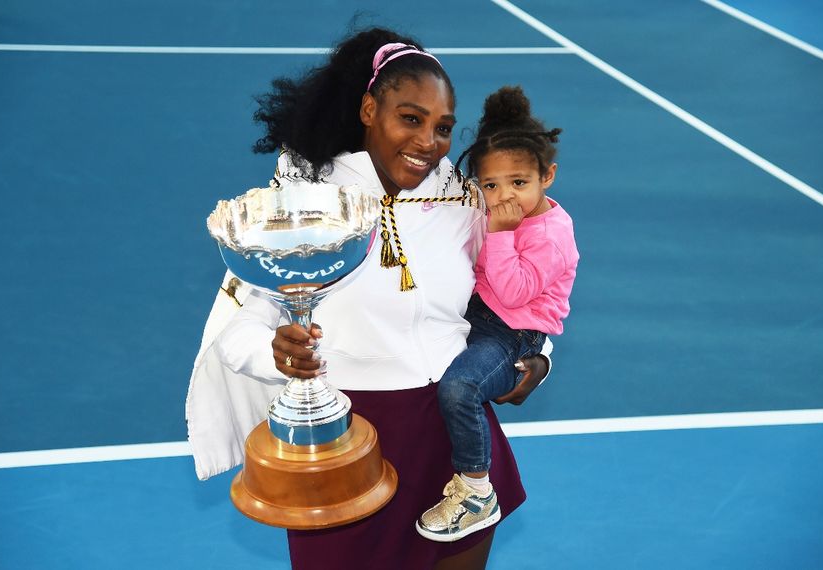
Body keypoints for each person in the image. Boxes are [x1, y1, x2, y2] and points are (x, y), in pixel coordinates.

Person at [185, 28, 552, 570]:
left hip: (457, 447)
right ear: (367, 108)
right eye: (411, 118)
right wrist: (277, 354)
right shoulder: (303, 203)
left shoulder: (467, 199)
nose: (428, 141)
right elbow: (237, 328)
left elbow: (533, 282)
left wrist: (539, 359)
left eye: (443, 127)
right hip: (347, 448)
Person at [415, 86, 579, 542]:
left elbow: (514, 290)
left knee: (460, 387)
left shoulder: (550, 234)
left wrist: (502, 233)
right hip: (479, 313)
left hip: (512, 334)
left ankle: (475, 490)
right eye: (491, 185)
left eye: (519, 183)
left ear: (548, 175)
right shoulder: (495, 210)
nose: (505, 196)